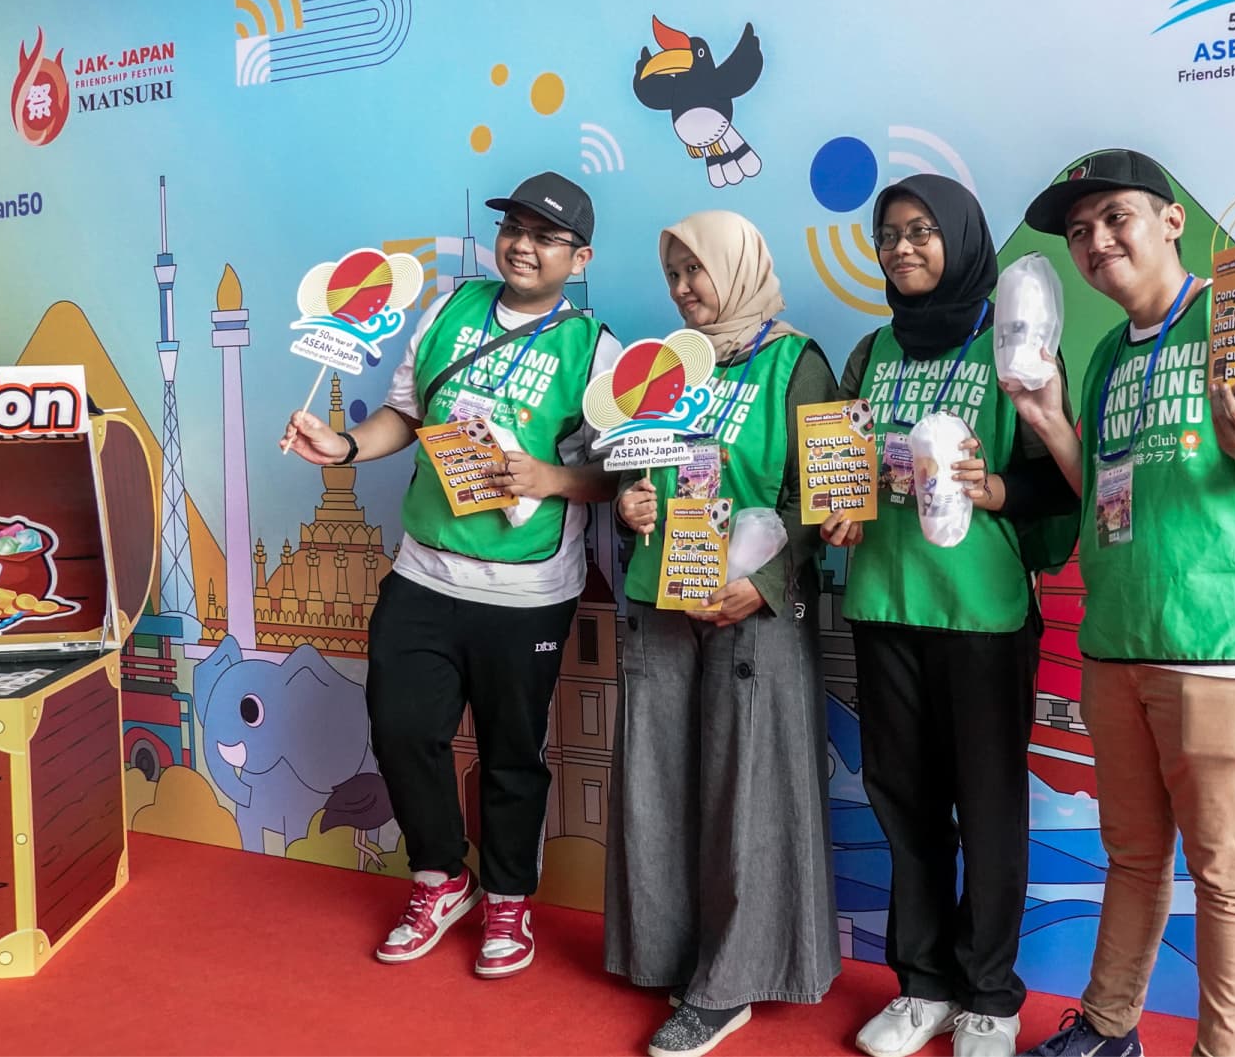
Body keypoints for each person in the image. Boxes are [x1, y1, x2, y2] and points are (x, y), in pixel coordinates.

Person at [1009, 149, 1235, 1057]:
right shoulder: (1103, 361)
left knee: (1227, 872)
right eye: (1079, 232)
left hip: (1218, 642)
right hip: (1117, 640)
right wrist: (1049, 423)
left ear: (1171, 221)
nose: (1095, 241)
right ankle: (1111, 1027)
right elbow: (1102, 500)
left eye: (1114, 217)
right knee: (1131, 855)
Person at [281, 171, 622, 977]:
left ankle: (509, 899)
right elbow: (406, 411)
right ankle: (442, 877)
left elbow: (618, 475)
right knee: (402, 727)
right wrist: (347, 445)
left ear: (580, 256)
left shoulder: (596, 347)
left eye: (546, 236)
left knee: (512, 752)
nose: (524, 244)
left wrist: (547, 479)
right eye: (515, 228)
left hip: (527, 589)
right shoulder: (450, 309)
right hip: (424, 571)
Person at [819, 175, 1076, 1057]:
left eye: (923, 231)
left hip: (984, 614)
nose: (903, 248)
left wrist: (998, 487)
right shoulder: (871, 351)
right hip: (886, 602)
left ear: (962, 237)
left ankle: (992, 996)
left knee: (991, 807)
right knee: (905, 803)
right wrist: (840, 510)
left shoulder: (1013, 346)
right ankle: (922, 982)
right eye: (888, 234)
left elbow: (1059, 472)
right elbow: (842, 469)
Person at [608, 210, 841, 1057]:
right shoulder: (667, 366)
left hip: (754, 603)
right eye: (673, 275)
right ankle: (675, 952)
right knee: (660, 780)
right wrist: (631, 498)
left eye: (696, 271)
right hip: (662, 596)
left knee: (749, 789)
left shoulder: (796, 361)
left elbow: (822, 496)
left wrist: (765, 582)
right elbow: (638, 461)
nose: (683, 290)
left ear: (738, 267)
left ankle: (729, 982)